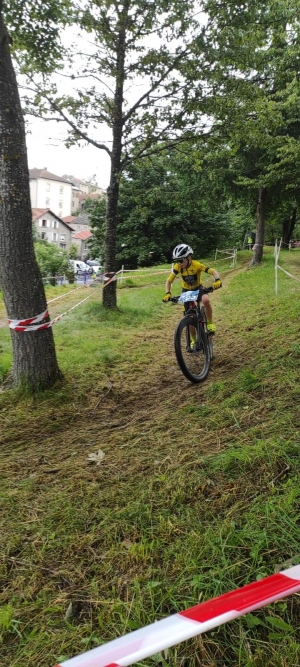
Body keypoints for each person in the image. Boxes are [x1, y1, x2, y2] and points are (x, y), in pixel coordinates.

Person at [162, 244, 222, 336]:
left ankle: (210, 323)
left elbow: (212, 271)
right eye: (177, 261)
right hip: (186, 291)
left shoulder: (196, 265)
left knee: (206, 300)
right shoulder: (178, 267)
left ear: (189, 257)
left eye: (181, 260)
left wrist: (217, 279)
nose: (179, 263)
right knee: (189, 316)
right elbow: (169, 281)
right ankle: (193, 340)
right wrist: (167, 293)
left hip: (198, 288)